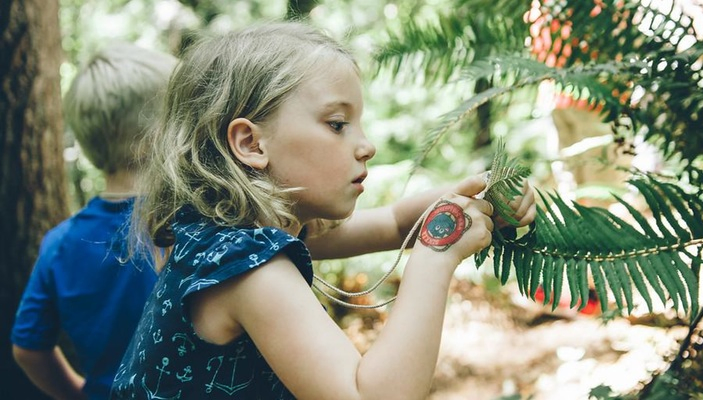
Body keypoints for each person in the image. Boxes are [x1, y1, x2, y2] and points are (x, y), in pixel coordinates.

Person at [111, 21, 536, 400]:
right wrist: (437, 253)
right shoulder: (245, 268)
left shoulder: (230, 233)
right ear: (251, 144)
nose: (367, 145)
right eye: (337, 124)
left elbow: (393, 222)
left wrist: (467, 194)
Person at [11, 43, 177, 400]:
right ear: (155, 138)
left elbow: (28, 348)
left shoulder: (59, 243)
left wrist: (80, 395)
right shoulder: (186, 222)